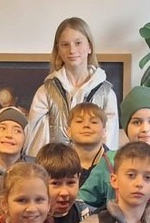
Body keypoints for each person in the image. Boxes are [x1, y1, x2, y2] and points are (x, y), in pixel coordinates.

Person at [25, 18, 119, 155]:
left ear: (89, 47)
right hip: (55, 166)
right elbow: (35, 142)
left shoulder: (106, 94)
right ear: (58, 49)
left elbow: (110, 143)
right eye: (65, 45)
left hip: (94, 166)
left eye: (78, 43)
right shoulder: (46, 92)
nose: (72, 50)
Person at [78, 86, 150, 209]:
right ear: (126, 126)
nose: (145, 128)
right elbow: (82, 202)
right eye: (137, 122)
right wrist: (102, 217)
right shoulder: (111, 161)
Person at [36, 142, 90, 223]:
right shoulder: (33, 218)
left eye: (71, 183)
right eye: (55, 183)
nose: (64, 192)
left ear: (79, 179)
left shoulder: (84, 214)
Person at [67, 102, 109, 183]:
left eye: (94, 122)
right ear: (68, 131)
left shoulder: (116, 163)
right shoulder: (56, 162)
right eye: (79, 121)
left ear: (104, 131)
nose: (86, 125)